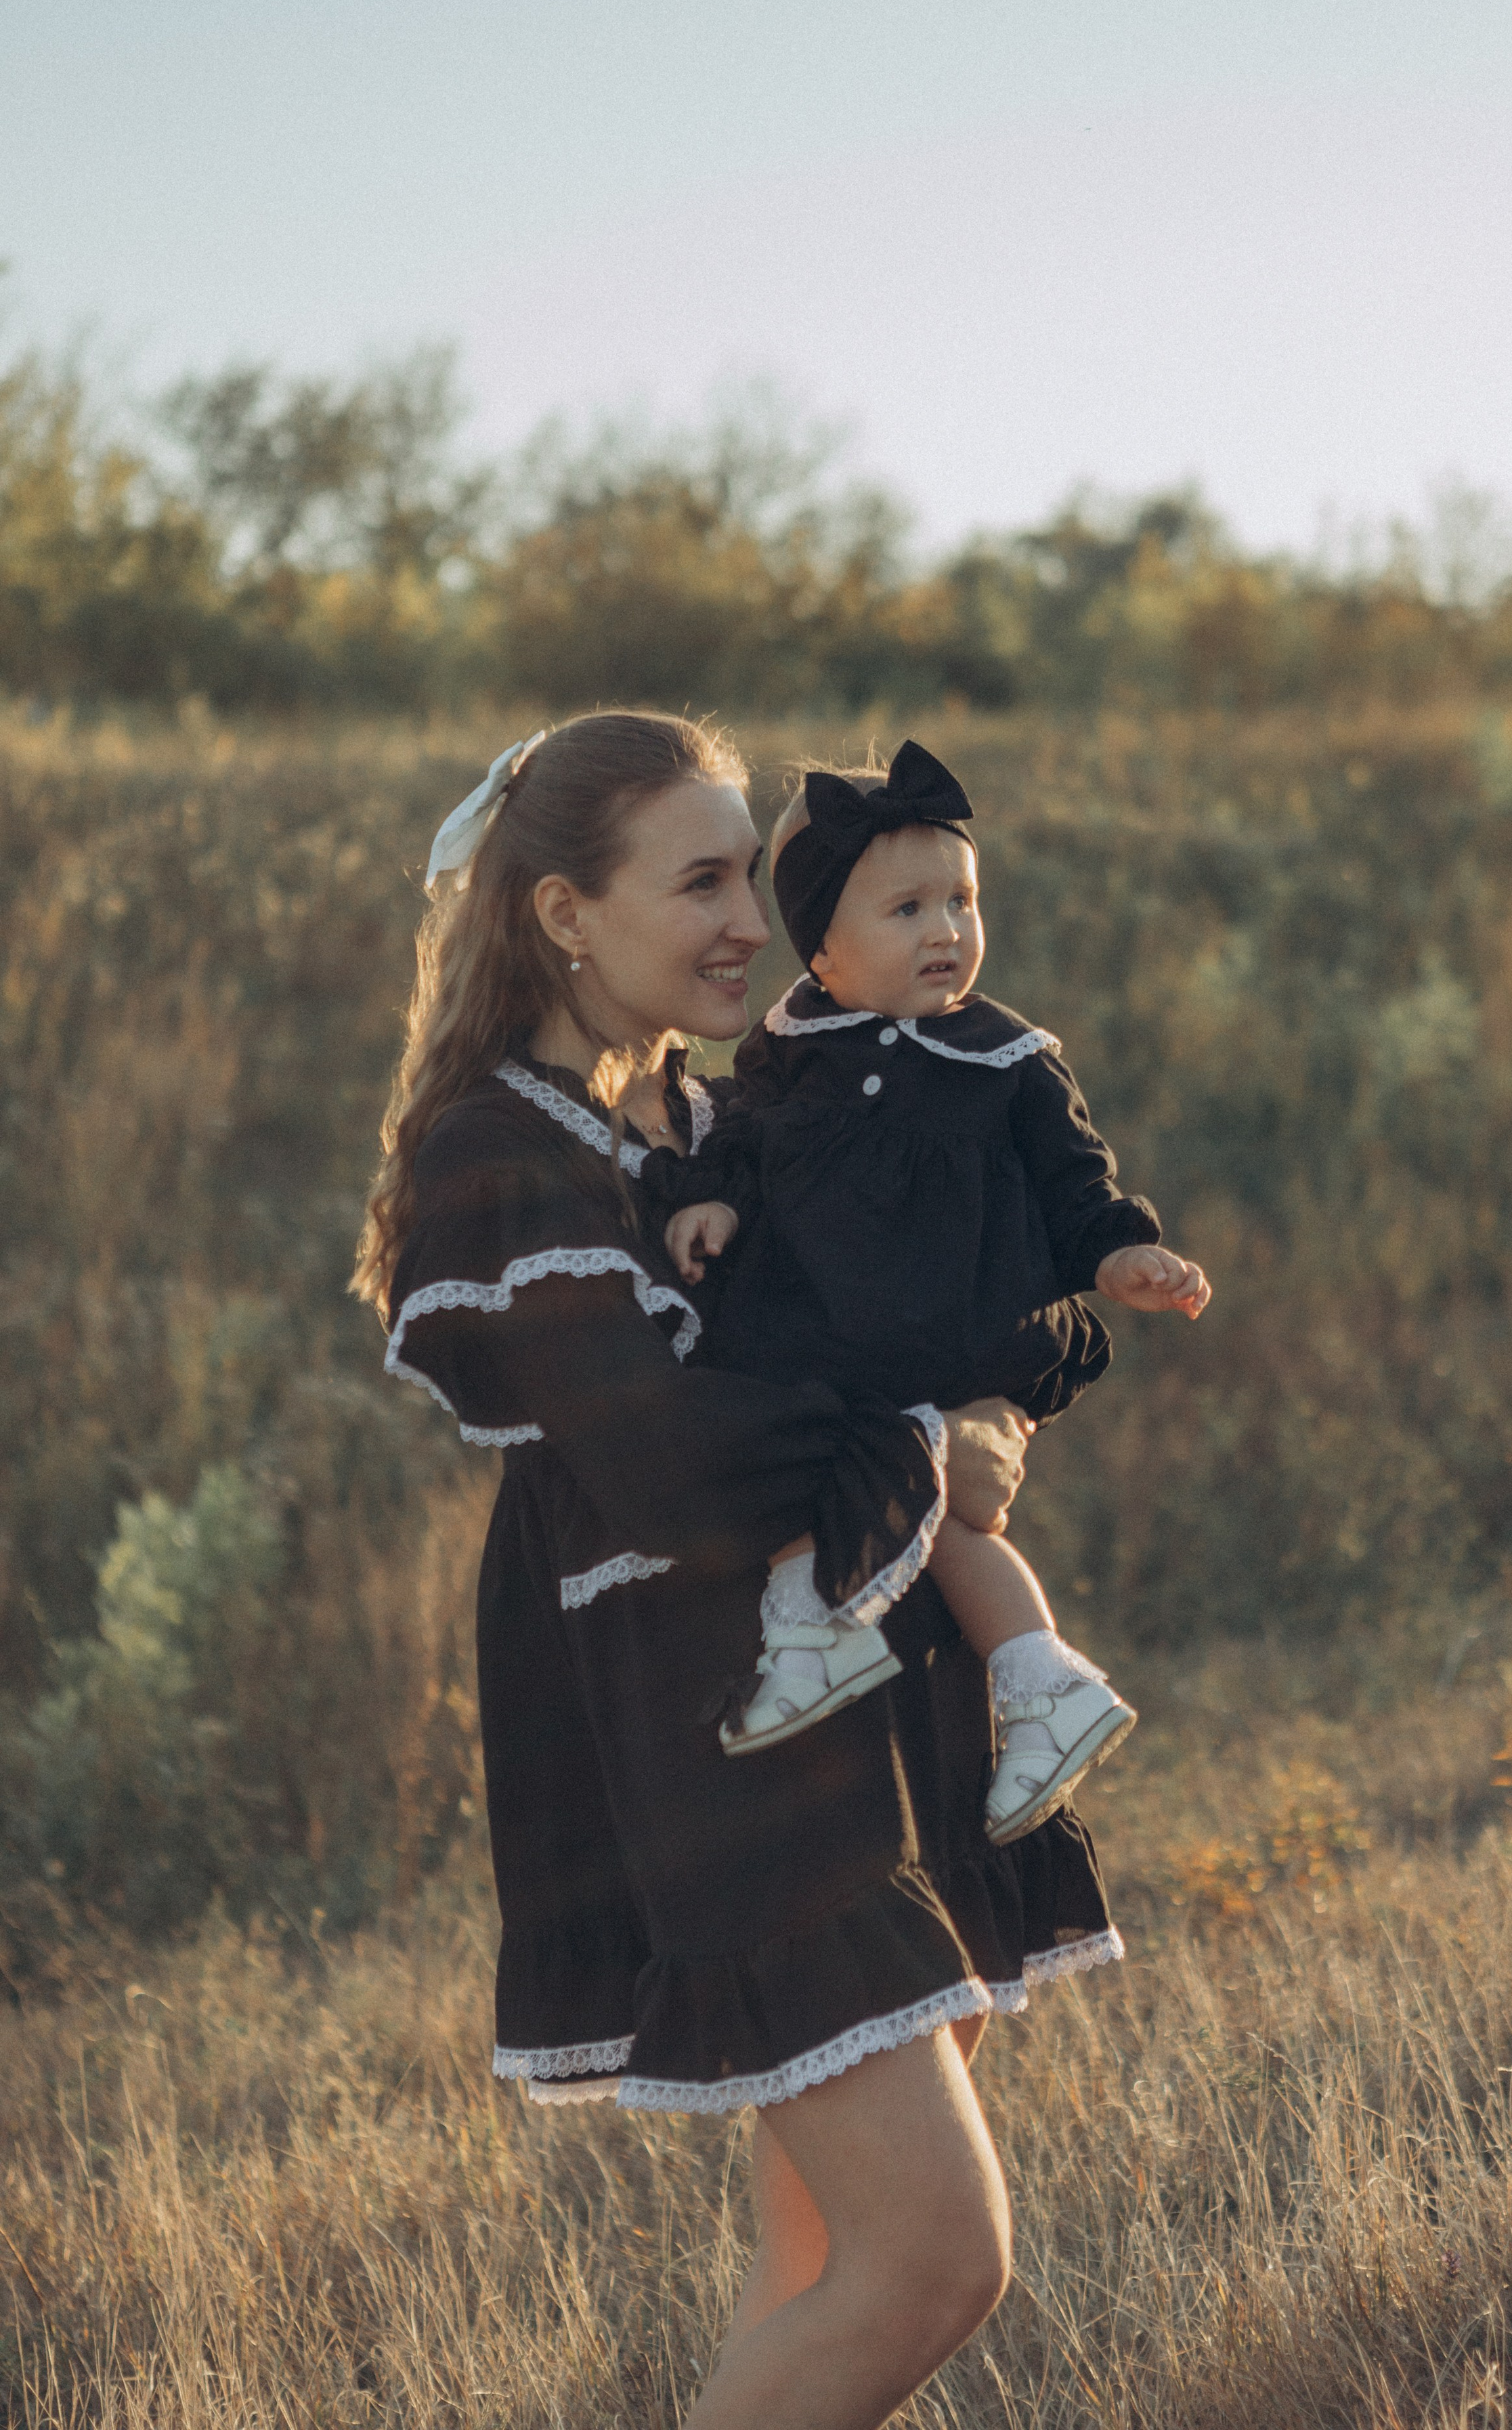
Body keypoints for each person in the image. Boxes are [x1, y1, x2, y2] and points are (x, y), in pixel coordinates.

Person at [352, 710, 1125, 2430]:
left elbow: (950, 1284)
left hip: (868, 1689)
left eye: (738, 877)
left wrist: (1001, 1378)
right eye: (696, 880)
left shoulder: (709, 1116)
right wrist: (924, 1448)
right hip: (720, 1738)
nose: (744, 923)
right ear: (564, 914)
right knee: (934, 2259)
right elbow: (658, 1455)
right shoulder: (499, 1156)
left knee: (829, 2255)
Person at [648, 741, 1210, 1843]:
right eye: (906, 910)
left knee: (953, 1508)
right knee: (794, 1440)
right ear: (821, 950)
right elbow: (740, 1147)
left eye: (962, 900)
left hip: (951, 1336)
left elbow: (1076, 1187)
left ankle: (1035, 1682)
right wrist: (710, 1201)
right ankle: (851, 1637)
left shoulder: (1007, 1060)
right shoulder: (783, 1054)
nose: (946, 931)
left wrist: (1119, 1257)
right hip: (827, 1343)